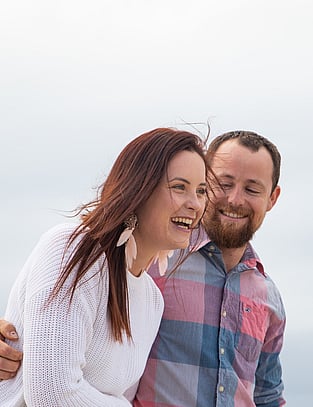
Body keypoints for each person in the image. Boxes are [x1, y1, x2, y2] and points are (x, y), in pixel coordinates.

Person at [0, 130, 286, 407]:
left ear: (272, 198)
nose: (234, 199)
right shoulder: (84, 251)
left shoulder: (151, 295)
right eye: (222, 184)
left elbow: (267, 396)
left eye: (251, 189)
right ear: (141, 187)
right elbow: (51, 389)